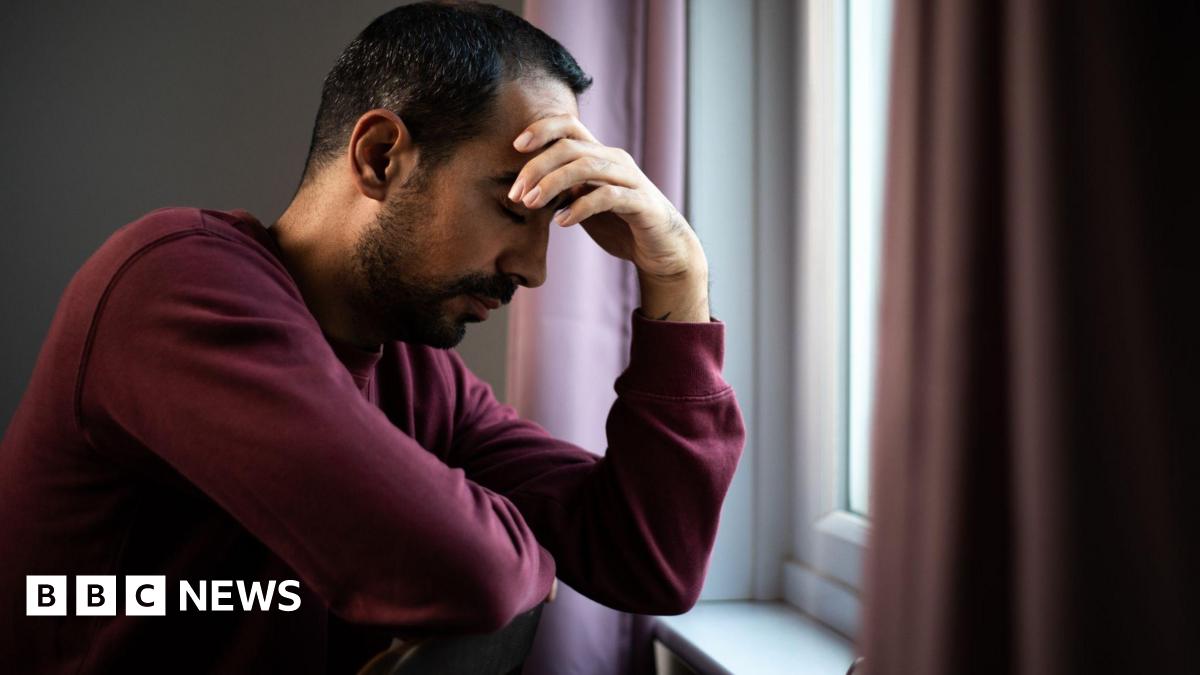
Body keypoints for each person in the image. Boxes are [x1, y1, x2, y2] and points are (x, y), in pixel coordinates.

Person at [0, 2, 745, 672]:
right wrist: (516, 552)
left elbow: (650, 560)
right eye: (514, 208)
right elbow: (474, 574)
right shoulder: (171, 284)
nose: (534, 268)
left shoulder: (419, 377)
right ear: (381, 156)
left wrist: (678, 279)